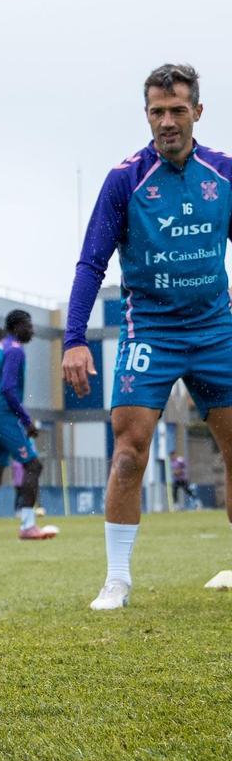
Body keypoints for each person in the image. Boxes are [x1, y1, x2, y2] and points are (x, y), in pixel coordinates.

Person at [63, 63, 232, 610]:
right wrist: (74, 339)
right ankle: (117, 579)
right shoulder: (125, 179)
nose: (167, 121)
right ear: (146, 116)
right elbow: (91, 262)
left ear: (197, 113)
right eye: (157, 112)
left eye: (177, 110)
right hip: (150, 331)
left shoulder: (224, 173)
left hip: (215, 329)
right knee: (129, 455)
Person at [0, 310, 51, 540]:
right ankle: (28, 525)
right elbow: (8, 388)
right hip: (2, 413)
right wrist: (26, 421)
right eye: (29, 325)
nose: (32, 330)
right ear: (17, 326)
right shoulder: (15, 350)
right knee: (33, 465)